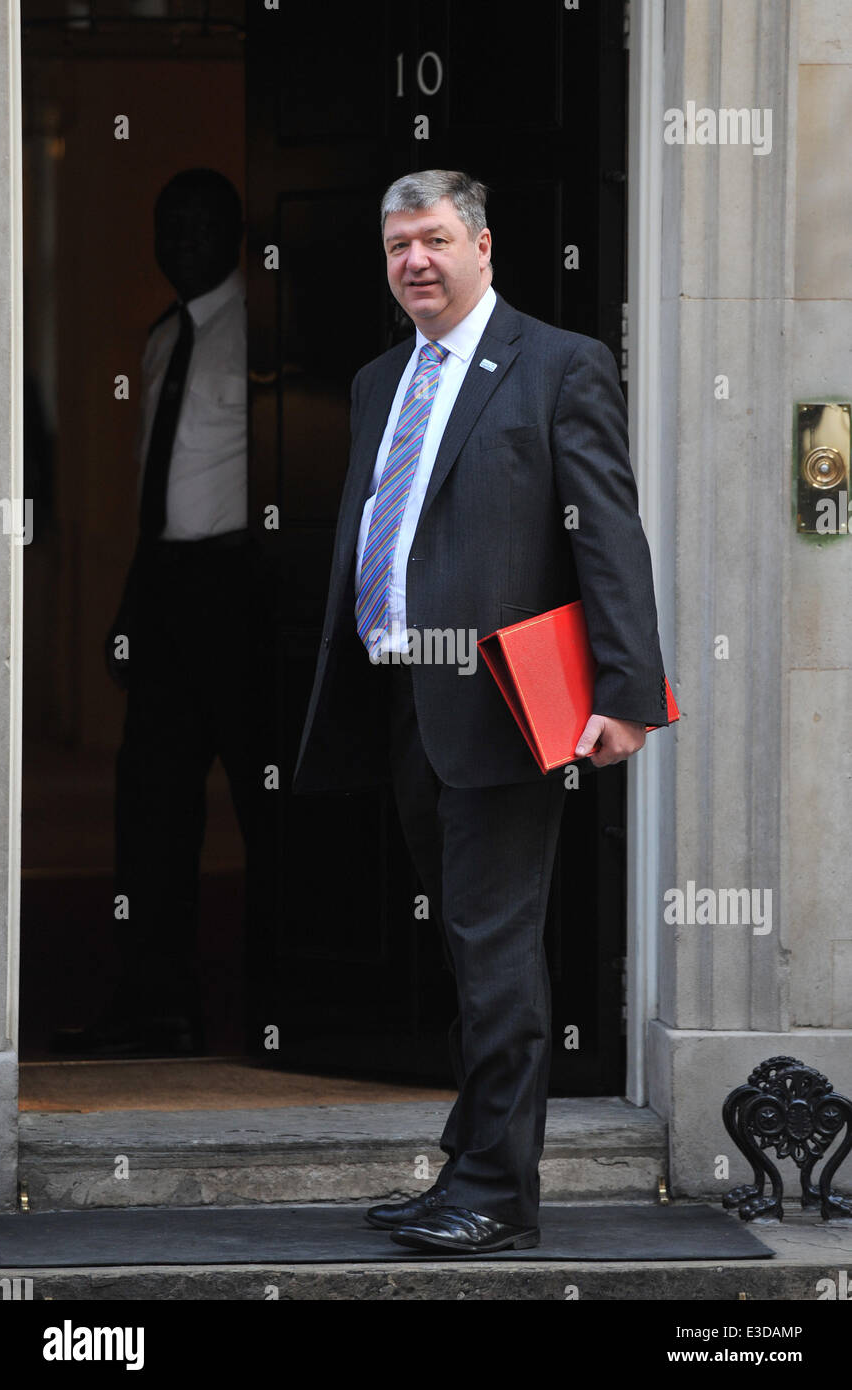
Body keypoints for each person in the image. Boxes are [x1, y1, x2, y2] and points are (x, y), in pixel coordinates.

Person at [293, 169, 670, 1255]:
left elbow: (608, 534)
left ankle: (499, 1195)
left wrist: (626, 696)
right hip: (404, 699)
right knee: (467, 949)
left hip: (507, 706)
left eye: (435, 239)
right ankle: (469, 1165)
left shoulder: (557, 365)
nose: (416, 260)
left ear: (484, 246)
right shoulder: (377, 381)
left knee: (496, 951)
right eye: (398, 244)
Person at [54, 168, 278, 1058]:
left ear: (231, 234)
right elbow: (160, 489)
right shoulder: (158, 340)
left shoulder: (265, 333)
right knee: (149, 807)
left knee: (270, 806)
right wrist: (130, 604)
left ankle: (289, 1007)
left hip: (243, 592)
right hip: (167, 592)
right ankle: (155, 1006)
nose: (180, 242)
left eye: (199, 226)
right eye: (167, 226)